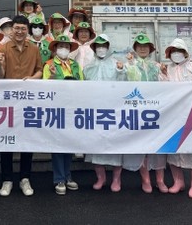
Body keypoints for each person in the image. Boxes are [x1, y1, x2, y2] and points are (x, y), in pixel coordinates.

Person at [0, 15, 43, 197]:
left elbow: (40, 70)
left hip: (29, 100)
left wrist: (33, 78)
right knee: (7, 140)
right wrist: (0, 64)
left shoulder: (34, 49)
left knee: (27, 140)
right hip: (8, 101)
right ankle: (7, 179)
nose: (20, 31)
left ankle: (25, 178)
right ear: (11, 29)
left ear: (27, 30)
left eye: (23, 28)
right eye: (16, 28)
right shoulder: (3, 48)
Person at [162, 38, 192, 198]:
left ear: (185, 52)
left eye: (179, 51)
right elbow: (162, 91)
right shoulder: (167, 69)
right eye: (173, 51)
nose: (176, 54)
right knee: (174, 149)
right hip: (173, 117)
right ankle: (178, 181)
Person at [123, 32, 168, 193]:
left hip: (155, 111)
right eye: (139, 46)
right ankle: (146, 179)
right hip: (137, 111)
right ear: (135, 49)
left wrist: (165, 72)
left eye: (146, 47)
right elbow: (123, 83)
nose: (143, 49)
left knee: (158, 146)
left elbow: (167, 85)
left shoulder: (157, 66)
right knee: (141, 145)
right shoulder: (129, 65)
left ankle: (160, 180)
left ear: (150, 49)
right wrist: (127, 66)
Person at [83, 35, 126, 192]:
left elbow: (124, 85)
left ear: (109, 47)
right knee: (96, 146)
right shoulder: (89, 66)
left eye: (104, 46)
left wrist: (121, 71)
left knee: (116, 146)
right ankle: (100, 178)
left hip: (113, 111)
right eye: (98, 46)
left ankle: (116, 179)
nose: (101, 49)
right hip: (95, 111)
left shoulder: (116, 64)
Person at [43, 35, 83, 195]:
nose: (64, 49)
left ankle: (68, 176)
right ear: (55, 49)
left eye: (67, 47)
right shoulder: (49, 65)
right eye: (61, 46)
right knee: (58, 144)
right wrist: (53, 76)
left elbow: (83, 83)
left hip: (72, 108)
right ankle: (59, 178)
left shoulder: (75, 65)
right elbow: (45, 88)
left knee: (69, 142)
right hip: (56, 109)